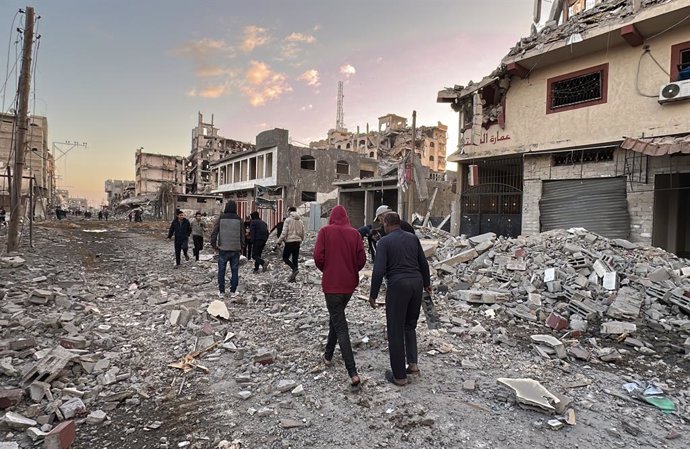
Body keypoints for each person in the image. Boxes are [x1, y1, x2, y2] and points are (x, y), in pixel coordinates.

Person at [369, 212, 431, 387]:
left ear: (387, 224)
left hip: (398, 285)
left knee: (395, 329)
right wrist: (427, 284)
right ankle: (413, 364)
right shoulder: (412, 238)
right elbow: (423, 263)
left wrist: (373, 294)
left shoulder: (384, 242)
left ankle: (399, 376)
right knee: (410, 325)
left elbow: (379, 270)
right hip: (416, 284)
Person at [314, 205, 366, 391]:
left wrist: (327, 270)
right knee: (336, 318)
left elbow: (318, 256)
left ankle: (352, 372)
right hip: (349, 286)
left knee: (340, 326)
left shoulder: (325, 231)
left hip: (332, 285)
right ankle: (328, 355)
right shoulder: (355, 234)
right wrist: (350, 271)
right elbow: (362, 260)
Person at [210, 200, 243, 298]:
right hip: (235, 249)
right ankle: (233, 291)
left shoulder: (221, 218)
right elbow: (242, 235)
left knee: (221, 271)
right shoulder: (239, 219)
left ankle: (221, 292)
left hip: (223, 249)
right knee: (235, 271)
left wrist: (214, 245)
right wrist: (242, 247)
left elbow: (214, 232)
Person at [276, 206, 305, 282]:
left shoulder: (288, 220)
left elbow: (284, 233)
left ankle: (294, 269)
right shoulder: (300, 221)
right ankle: (293, 278)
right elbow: (303, 233)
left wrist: (279, 242)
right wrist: (301, 240)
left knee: (285, 258)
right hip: (297, 242)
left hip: (289, 242)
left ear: (289, 212)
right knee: (295, 259)